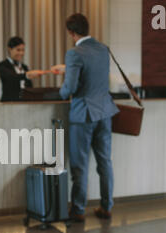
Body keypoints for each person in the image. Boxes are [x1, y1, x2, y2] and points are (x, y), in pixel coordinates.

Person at [52, 14, 119, 222]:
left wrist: (60, 93)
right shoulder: (103, 49)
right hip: (105, 112)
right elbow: (94, 74)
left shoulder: (74, 53)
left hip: (83, 114)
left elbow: (70, 88)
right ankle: (106, 207)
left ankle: (78, 210)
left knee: (80, 165)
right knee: (105, 162)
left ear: (71, 33)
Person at [0, 37, 44, 102]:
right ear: (10, 49)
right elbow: (11, 77)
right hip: (9, 103)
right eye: (18, 50)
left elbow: (29, 88)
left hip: (25, 103)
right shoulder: (3, 65)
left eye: (23, 50)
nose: (21, 53)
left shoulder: (25, 67)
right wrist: (27, 75)